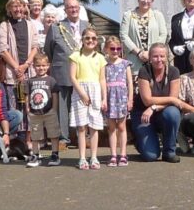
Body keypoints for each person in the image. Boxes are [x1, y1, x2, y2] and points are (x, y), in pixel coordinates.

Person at [43, 0, 87, 143]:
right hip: (62, 70)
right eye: (70, 7)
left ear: (79, 8)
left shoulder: (88, 26)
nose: (73, 10)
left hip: (84, 72)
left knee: (83, 102)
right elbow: (48, 49)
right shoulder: (56, 27)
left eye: (75, 7)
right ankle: (63, 137)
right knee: (63, 105)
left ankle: (83, 135)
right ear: (65, 10)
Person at [131, 43, 183, 162]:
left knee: (173, 113)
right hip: (143, 113)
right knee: (151, 156)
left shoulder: (174, 71)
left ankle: (169, 151)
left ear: (167, 57)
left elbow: (173, 99)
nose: (159, 59)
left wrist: (154, 107)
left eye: (162, 56)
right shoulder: (144, 71)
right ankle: (139, 140)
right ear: (149, 57)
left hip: (160, 111)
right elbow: (147, 100)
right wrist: (171, 99)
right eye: (155, 56)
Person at [0, 0, 38, 138]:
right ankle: (13, 140)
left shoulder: (30, 25)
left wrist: (26, 65)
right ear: (9, 9)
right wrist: (17, 68)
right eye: (14, 6)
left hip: (29, 72)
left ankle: (28, 141)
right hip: (11, 74)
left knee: (28, 107)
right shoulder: (5, 25)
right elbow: (3, 49)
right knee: (13, 108)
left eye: (20, 6)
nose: (17, 9)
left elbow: (35, 46)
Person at [69, 27, 107, 170]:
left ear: (97, 41)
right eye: (87, 38)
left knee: (94, 126)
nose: (90, 41)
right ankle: (82, 157)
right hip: (80, 92)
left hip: (95, 91)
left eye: (93, 38)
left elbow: (102, 79)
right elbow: (73, 77)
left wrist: (104, 98)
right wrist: (82, 94)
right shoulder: (75, 56)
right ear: (82, 40)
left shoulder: (101, 58)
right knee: (81, 127)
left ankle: (94, 157)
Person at [120, 0, 168, 77]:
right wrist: (139, 53)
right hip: (134, 61)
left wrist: (151, 53)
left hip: (154, 61)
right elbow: (123, 35)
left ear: (152, 1)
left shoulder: (158, 15)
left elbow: (163, 34)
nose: (145, 1)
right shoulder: (128, 15)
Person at [24, 53, 61, 167]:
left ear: (48, 66)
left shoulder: (51, 80)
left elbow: (55, 95)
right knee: (35, 135)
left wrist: (54, 109)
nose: (41, 68)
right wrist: (27, 108)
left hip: (49, 112)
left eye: (43, 65)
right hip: (35, 113)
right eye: (38, 65)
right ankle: (35, 155)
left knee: (53, 133)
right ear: (33, 67)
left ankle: (55, 154)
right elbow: (27, 95)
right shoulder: (30, 81)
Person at [103, 36, 132, 167]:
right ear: (106, 49)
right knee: (111, 127)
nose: (115, 51)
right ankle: (113, 154)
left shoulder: (125, 63)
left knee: (121, 126)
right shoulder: (104, 64)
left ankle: (123, 154)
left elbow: (130, 83)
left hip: (122, 97)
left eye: (118, 48)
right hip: (109, 97)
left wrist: (130, 99)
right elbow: (102, 81)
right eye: (112, 48)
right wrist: (103, 99)